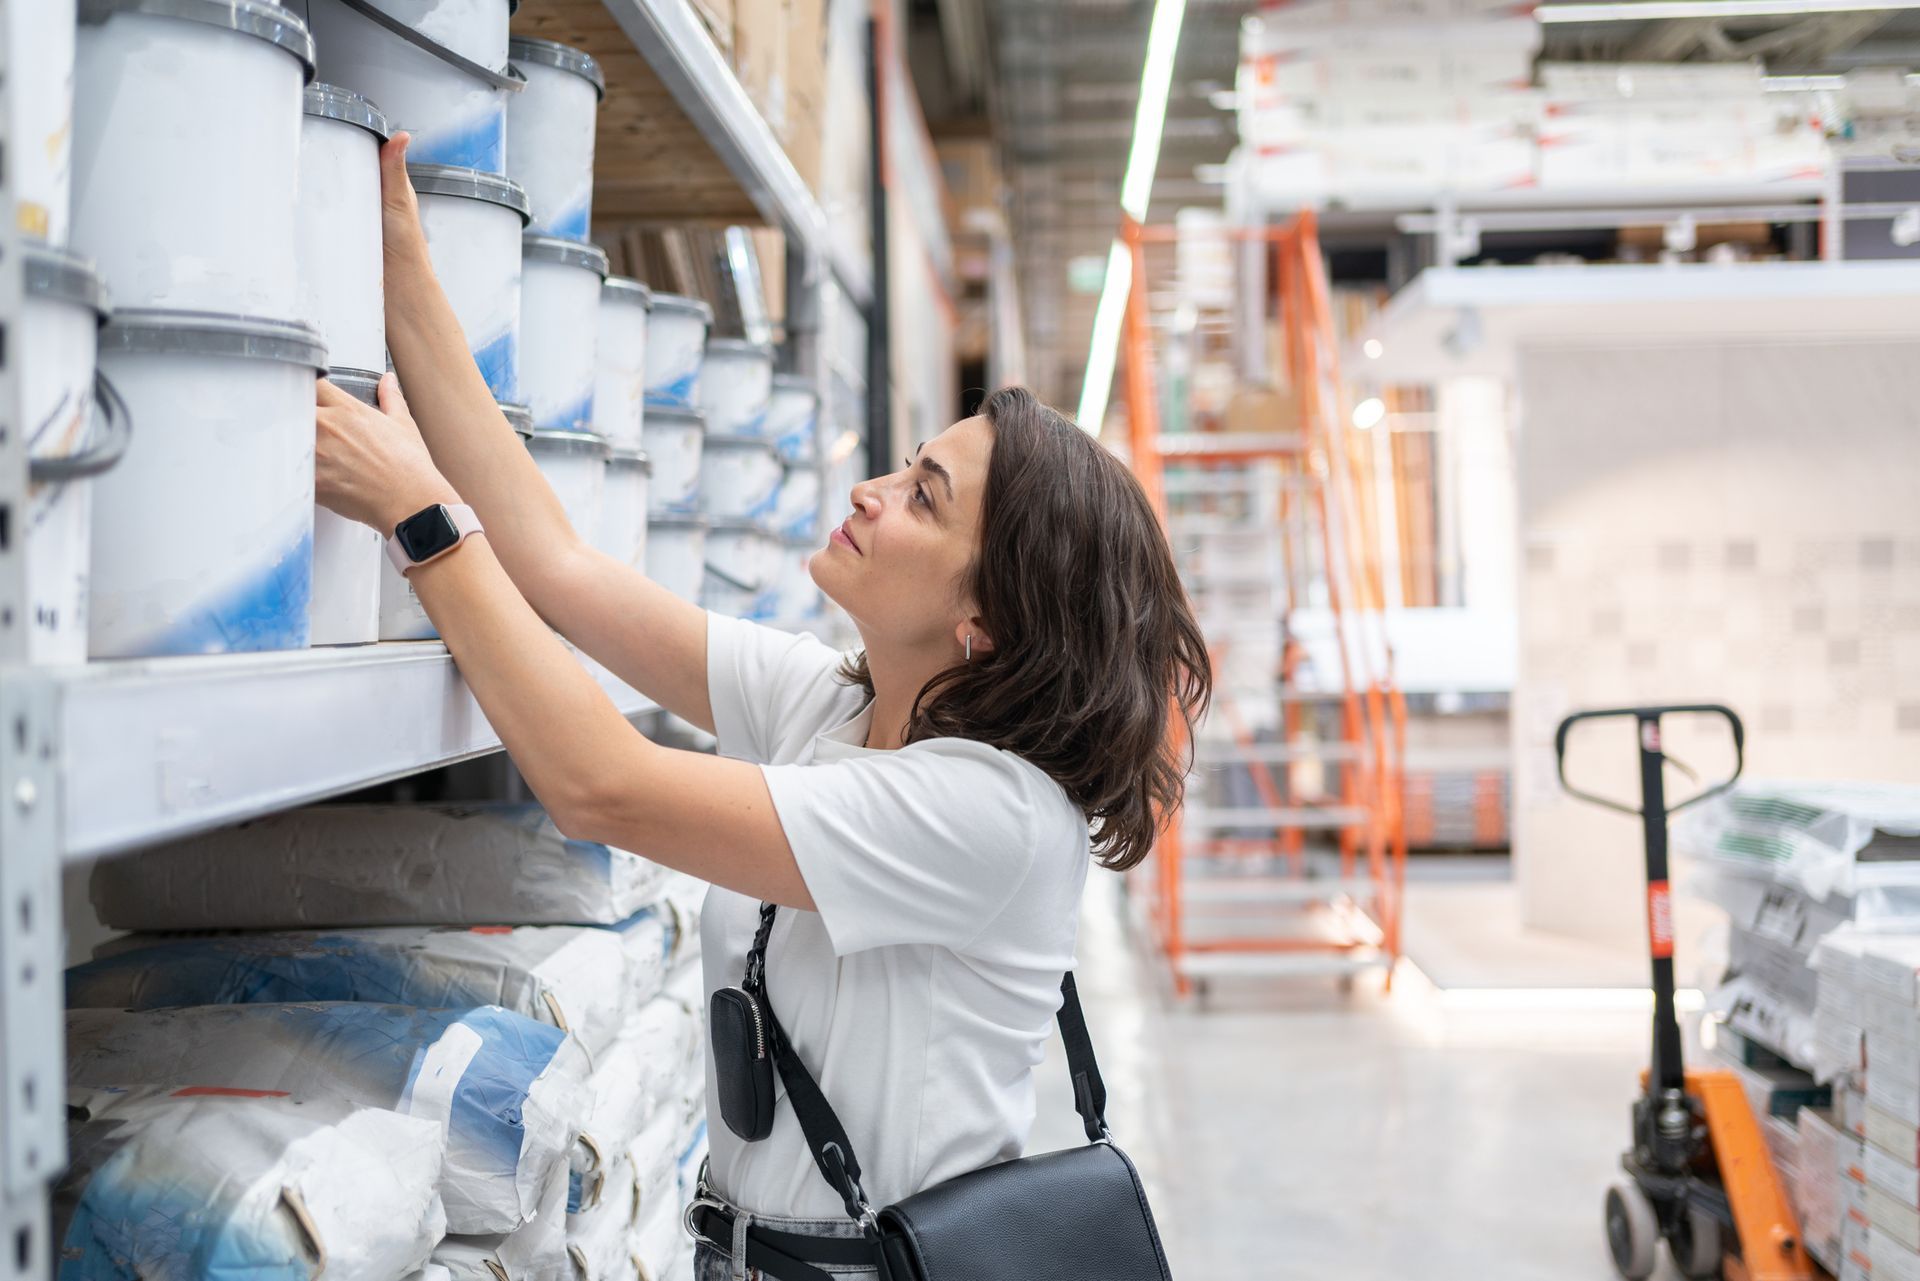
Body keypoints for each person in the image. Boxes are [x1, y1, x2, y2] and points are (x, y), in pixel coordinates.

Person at [315, 132, 1211, 1281]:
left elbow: (602, 784)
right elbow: (557, 566)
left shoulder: (991, 814)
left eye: (921, 499)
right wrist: (404, 270)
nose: (869, 492)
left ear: (985, 619)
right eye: (904, 467)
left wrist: (421, 519)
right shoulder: (834, 706)